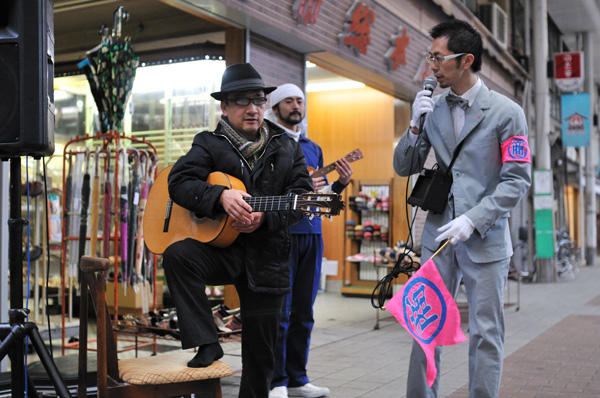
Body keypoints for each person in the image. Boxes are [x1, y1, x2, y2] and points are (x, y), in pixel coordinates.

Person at [393, 19, 531, 398]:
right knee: (424, 327)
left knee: (486, 332)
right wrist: (415, 127)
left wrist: (475, 218)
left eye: (439, 58)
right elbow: (404, 167)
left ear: (466, 60)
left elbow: (517, 180)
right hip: (437, 235)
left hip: (485, 239)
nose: (431, 66)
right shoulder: (432, 109)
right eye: (429, 57)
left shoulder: (507, 113)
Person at [162, 63, 313, 398]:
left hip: (267, 257)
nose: (252, 109)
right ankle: (206, 340)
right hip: (223, 250)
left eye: (258, 101)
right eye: (242, 102)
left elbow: (301, 197)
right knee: (177, 255)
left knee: (261, 356)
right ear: (224, 107)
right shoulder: (209, 143)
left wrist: (265, 218)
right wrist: (220, 196)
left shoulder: (287, 147)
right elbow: (179, 183)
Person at [265, 84, 352, 398]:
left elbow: (322, 201)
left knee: (305, 311)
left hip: (312, 235)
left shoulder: (313, 148)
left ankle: (298, 379)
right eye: (288, 100)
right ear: (274, 107)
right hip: (280, 235)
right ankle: (276, 381)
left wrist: (340, 185)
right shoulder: (267, 144)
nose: (295, 105)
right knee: (282, 312)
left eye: (299, 100)